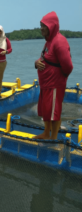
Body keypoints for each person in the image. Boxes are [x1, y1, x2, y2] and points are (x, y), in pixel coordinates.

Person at [34, 11, 73, 140]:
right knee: (46, 110)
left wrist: (60, 78)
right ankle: (46, 132)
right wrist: (37, 63)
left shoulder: (59, 41)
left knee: (54, 112)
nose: (41, 28)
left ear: (52, 26)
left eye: (44, 25)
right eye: (41, 25)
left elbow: (68, 66)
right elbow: (44, 58)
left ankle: (53, 138)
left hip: (55, 84)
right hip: (46, 84)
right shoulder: (48, 42)